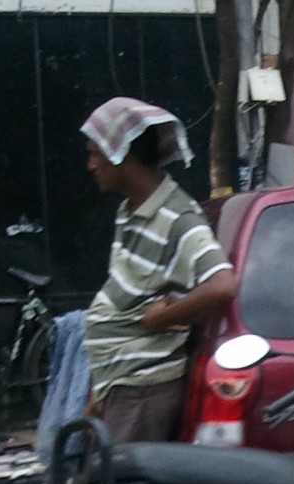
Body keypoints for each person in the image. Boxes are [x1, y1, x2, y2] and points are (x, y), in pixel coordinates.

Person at [79, 97, 237, 443]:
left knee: (125, 478)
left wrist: (162, 318)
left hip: (142, 391)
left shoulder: (179, 219)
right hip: (120, 384)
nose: (90, 165)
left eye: (94, 154)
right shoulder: (129, 212)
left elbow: (223, 285)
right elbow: (124, 297)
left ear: (121, 155)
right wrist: (98, 394)